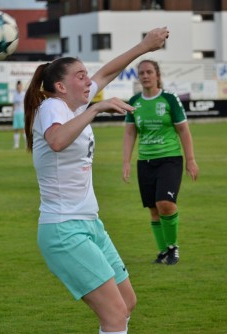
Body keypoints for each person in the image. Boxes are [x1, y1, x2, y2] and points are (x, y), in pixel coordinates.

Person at [24, 27, 169, 334]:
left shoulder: (74, 106)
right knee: (115, 314)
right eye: (80, 76)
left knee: (126, 301)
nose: (88, 80)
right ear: (61, 86)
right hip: (64, 229)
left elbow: (108, 71)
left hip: (89, 224)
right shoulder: (52, 107)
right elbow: (57, 141)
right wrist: (98, 108)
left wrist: (143, 46)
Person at [122, 59, 199, 265]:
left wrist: (190, 159)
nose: (145, 76)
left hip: (169, 159)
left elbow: (183, 129)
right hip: (145, 161)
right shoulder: (135, 102)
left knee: (165, 203)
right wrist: (126, 162)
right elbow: (130, 133)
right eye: (141, 73)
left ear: (157, 75)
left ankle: (173, 247)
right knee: (153, 209)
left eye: (149, 72)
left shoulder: (169, 99)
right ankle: (163, 250)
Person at [12, 80, 26, 149]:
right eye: (17, 86)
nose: (19, 87)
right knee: (16, 129)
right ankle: (16, 145)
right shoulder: (15, 94)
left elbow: (26, 105)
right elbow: (14, 105)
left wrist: (25, 114)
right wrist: (13, 113)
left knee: (23, 129)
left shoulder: (24, 94)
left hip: (22, 113)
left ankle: (27, 144)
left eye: (20, 86)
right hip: (16, 113)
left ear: (21, 86)